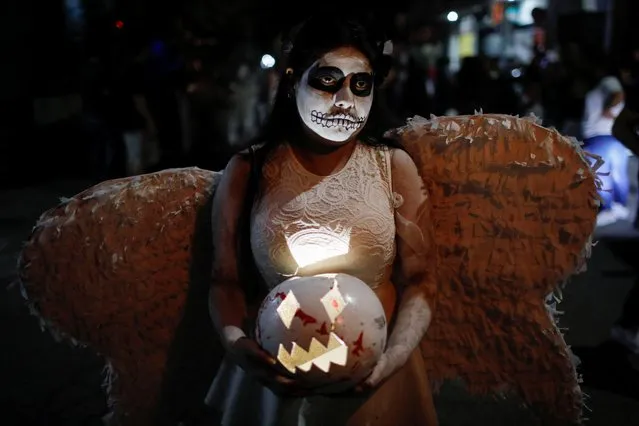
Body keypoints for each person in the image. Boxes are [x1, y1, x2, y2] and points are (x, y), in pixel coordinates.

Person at [205, 15, 438, 426]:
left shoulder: (393, 167)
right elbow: (225, 279)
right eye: (328, 80)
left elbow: (420, 281)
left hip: (382, 378)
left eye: (360, 85)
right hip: (275, 376)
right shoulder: (248, 170)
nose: (345, 100)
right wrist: (236, 344)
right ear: (293, 81)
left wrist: (395, 357)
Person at [582, 52, 632, 226]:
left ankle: (610, 208)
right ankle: (619, 206)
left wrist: (607, 110)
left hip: (600, 136)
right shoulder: (607, 84)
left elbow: (618, 94)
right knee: (616, 173)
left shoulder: (608, 82)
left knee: (602, 175)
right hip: (613, 137)